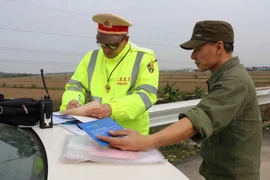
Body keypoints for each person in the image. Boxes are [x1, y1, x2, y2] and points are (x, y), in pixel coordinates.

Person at [98, 20, 262, 180]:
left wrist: (146, 142)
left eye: (197, 49)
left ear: (219, 47)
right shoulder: (227, 76)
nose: (192, 56)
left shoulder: (233, 81)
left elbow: (199, 119)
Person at [60, 13, 159, 135]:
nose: (107, 49)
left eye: (113, 45)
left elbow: (146, 95)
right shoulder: (91, 58)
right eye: (102, 43)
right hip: (98, 132)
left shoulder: (144, 58)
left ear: (126, 40)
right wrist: (71, 102)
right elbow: (76, 86)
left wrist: (113, 109)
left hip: (131, 135)